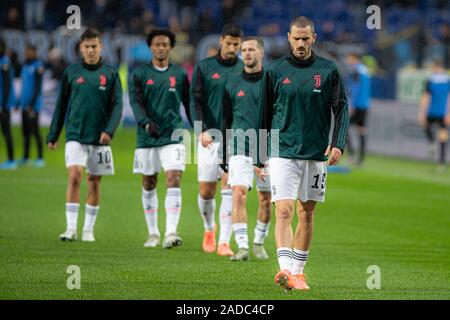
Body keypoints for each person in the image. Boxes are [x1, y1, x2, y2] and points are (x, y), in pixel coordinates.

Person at [259, 16, 349, 291]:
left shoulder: (328, 69)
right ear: (288, 38)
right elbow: (264, 113)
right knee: (284, 211)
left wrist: (338, 143)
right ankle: (285, 270)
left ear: (314, 38)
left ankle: (298, 272)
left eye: (305, 39)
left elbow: (341, 108)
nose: (300, 43)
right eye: (296, 38)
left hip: (315, 153)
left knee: (307, 212)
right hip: (282, 151)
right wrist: (259, 156)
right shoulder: (274, 70)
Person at [46, 28, 123, 242]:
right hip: (75, 135)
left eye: (94, 46)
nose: (90, 50)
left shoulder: (110, 74)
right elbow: (61, 106)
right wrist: (54, 134)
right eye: (87, 47)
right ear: (80, 48)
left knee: (94, 182)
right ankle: (71, 228)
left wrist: (109, 131)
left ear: (101, 47)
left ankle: (88, 230)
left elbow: (117, 106)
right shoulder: (71, 73)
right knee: (74, 177)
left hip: (100, 139)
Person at [129, 29, 192, 248]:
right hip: (147, 137)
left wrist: (199, 128)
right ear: (151, 47)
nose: (161, 47)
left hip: (173, 134)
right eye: (157, 44)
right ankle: (153, 232)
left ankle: (171, 232)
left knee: (174, 178)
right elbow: (135, 103)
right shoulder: (139, 74)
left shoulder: (180, 74)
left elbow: (189, 103)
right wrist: (145, 123)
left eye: (165, 44)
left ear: (171, 47)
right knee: (149, 182)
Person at [190, 23, 244, 256]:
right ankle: (208, 229)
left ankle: (224, 241)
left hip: (234, 137)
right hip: (209, 137)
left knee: (229, 188)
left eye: (236, 44)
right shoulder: (204, 67)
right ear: (221, 41)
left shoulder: (245, 69)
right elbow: (196, 100)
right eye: (229, 43)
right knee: (206, 191)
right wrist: (200, 129)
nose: (232, 47)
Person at [222, 37, 271, 261]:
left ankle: (258, 242)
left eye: (252, 49)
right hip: (240, 145)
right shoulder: (231, 82)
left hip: (268, 147)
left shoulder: (273, 82)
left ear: (261, 52)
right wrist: (224, 152)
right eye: (244, 50)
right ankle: (241, 247)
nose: (247, 53)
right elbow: (225, 119)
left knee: (265, 200)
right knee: (238, 193)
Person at [417, 59, 450, 169]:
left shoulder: (431, 80)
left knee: (436, 132)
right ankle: (441, 163)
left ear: (436, 67)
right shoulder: (446, 80)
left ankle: (432, 143)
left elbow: (425, 97)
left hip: (434, 111)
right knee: (442, 136)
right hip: (442, 112)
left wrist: (421, 112)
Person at [18, 43, 45, 167]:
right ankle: (26, 157)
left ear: (34, 52)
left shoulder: (38, 66)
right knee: (25, 132)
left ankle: (40, 158)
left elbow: (38, 87)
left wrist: (32, 104)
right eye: (25, 51)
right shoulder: (24, 66)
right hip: (24, 104)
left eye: (28, 51)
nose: (26, 53)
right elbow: (24, 86)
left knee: (35, 131)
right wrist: (20, 102)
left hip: (33, 106)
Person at [346, 52, 371, 166]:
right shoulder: (365, 71)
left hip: (357, 104)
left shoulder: (356, 71)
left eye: (349, 58)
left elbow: (356, 88)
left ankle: (351, 155)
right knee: (361, 130)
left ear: (354, 58)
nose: (348, 60)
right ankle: (360, 159)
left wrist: (352, 104)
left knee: (344, 128)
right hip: (365, 105)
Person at [0, 38, 17, 170]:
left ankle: (11, 160)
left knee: (6, 132)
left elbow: (6, 86)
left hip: (3, 105)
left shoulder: (4, 62)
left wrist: (3, 105)